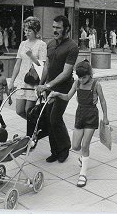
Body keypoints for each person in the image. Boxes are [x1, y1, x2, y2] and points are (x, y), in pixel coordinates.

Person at [48, 60, 108, 188]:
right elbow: (68, 97)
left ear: (90, 74)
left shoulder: (96, 85)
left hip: (91, 115)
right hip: (80, 114)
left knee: (85, 145)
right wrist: (58, 94)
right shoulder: (77, 83)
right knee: (75, 146)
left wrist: (106, 117)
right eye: (79, 77)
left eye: (84, 77)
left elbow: (102, 101)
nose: (81, 79)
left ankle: (83, 174)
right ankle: (83, 157)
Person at [36, 15, 79, 163]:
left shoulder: (72, 46)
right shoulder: (50, 44)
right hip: (49, 86)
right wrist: (41, 84)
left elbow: (66, 72)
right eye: (53, 27)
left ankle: (65, 148)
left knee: (55, 118)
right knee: (49, 119)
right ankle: (54, 151)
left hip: (63, 88)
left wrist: (47, 85)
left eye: (58, 28)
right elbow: (46, 66)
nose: (55, 30)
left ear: (66, 29)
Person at [9, 17, 47, 120]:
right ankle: (36, 125)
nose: (26, 33)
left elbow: (42, 65)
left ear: (35, 31)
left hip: (32, 81)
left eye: (29, 30)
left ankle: (32, 131)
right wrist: (12, 81)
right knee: (19, 110)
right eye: (25, 30)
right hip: (22, 80)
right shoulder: (23, 44)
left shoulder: (41, 45)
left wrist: (31, 55)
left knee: (29, 111)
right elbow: (17, 63)